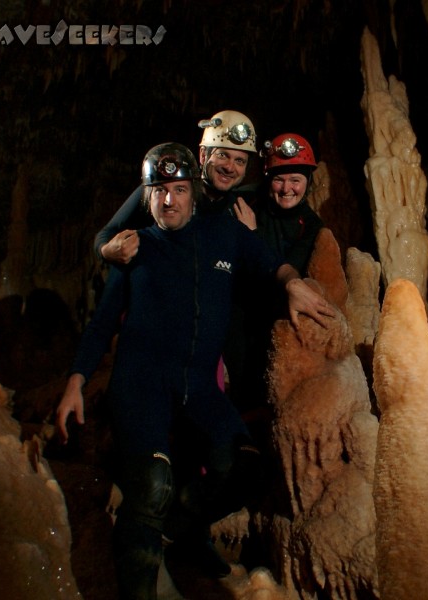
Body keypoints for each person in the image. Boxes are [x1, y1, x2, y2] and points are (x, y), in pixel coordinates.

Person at [56, 142, 333, 599]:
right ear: (147, 198)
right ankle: (141, 573)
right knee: (153, 483)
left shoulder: (224, 234)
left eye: (179, 190)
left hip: (198, 386)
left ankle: (172, 532)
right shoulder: (134, 250)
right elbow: (102, 322)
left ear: (193, 193)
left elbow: (269, 263)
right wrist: (75, 382)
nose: (170, 200)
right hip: (140, 384)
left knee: (245, 468)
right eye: (159, 191)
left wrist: (294, 284)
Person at [231, 133, 325, 429]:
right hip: (236, 310)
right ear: (267, 178)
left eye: (295, 180)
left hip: (273, 317)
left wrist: (251, 236)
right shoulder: (244, 200)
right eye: (279, 179)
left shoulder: (311, 226)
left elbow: (287, 273)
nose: (287, 189)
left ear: (308, 181)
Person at [94, 109, 259, 265]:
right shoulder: (164, 193)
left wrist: (249, 238)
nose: (230, 167)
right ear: (203, 155)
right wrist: (107, 252)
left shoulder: (241, 210)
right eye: (223, 155)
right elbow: (107, 234)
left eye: (239, 161)